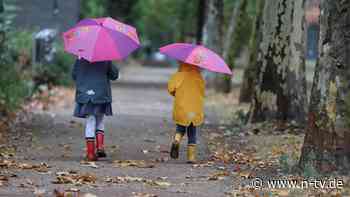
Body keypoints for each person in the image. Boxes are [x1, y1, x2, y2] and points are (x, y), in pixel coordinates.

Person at [72, 58, 119, 161]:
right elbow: (114, 75)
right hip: (101, 94)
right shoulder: (105, 57)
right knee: (100, 120)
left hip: (85, 94)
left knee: (90, 121)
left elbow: (74, 75)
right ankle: (100, 146)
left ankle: (90, 153)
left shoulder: (80, 58)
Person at [168, 62, 205, 163]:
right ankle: (191, 157)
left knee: (180, 128)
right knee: (192, 132)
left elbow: (170, 89)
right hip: (194, 108)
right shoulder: (199, 77)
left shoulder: (178, 75)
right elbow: (202, 92)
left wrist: (176, 93)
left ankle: (177, 140)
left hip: (182, 107)